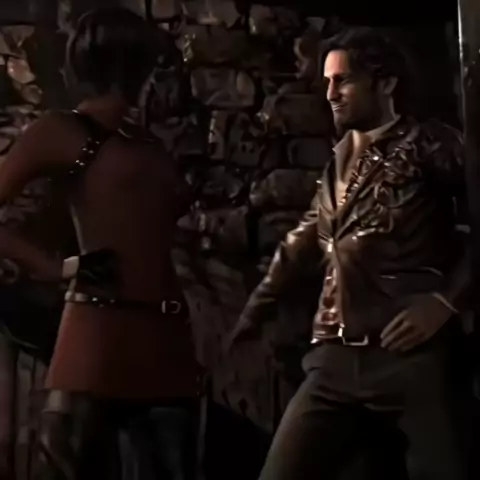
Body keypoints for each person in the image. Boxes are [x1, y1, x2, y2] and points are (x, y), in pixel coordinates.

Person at [227, 27, 477, 480]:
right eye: (327, 82)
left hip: (411, 358)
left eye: (342, 81)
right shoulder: (338, 160)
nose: (331, 94)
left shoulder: (431, 144)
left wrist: (445, 301)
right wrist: (251, 317)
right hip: (335, 359)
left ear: (386, 83)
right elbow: (300, 243)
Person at [0, 7, 201, 479]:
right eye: (151, 63)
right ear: (126, 64)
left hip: (165, 344)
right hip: (94, 341)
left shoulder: (148, 142)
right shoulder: (63, 132)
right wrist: (53, 268)